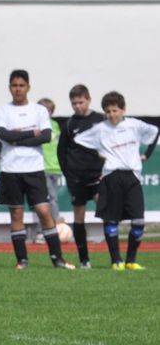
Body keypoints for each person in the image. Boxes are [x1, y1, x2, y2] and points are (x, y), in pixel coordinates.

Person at [0, 70, 75, 270]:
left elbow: (46, 136)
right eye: (14, 85)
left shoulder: (39, 111)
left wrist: (17, 137)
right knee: (16, 215)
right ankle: (22, 260)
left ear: (28, 87)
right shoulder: (3, 111)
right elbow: (3, 134)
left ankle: (57, 259)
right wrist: (31, 133)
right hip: (11, 169)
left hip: (34, 169)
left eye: (21, 85)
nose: (18, 89)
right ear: (9, 87)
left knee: (44, 211)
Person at [74, 91, 158, 271]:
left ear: (123, 109)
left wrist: (147, 155)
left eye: (115, 110)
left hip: (132, 177)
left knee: (138, 221)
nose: (112, 115)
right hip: (111, 176)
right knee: (111, 220)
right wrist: (97, 154)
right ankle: (116, 261)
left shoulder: (135, 125)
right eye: (108, 111)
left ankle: (131, 261)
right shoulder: (100, 128)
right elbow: (79, 141)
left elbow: (155, 131)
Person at [57, 84, 105, 268]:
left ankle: (115, 258)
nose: (77, 106)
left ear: (89, 100)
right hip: (77, 179)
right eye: (74, 103)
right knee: (79, 217)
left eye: (81, 102)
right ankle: (84, 259)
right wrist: (69, 175)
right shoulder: (69, 124)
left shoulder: (101, 120)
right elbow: (62, 152)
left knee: (108, 214)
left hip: (99, 177)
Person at [37, 97, 63, 228]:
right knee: (49, 198)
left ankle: (49, 228)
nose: (46, 113)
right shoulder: (36, 126)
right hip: (43, 168)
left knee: (52, 199)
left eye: (49, 110)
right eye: (43, 110)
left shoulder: (55, 125)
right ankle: (52, 224)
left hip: (56, 168)